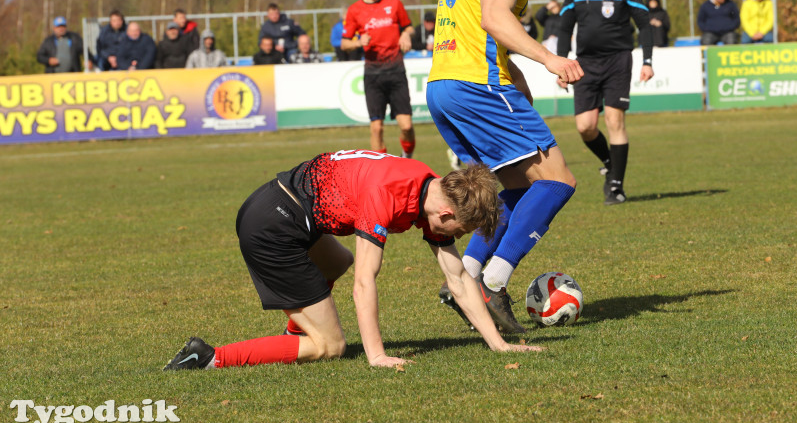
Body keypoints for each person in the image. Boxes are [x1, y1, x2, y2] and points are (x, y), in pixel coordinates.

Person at [164, 151, 543, 371]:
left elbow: (457, 276)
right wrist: (376, 355)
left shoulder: (429, 185)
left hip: (284, 209)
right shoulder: (389, 194)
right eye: (460, 231)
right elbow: (365, 283)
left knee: (336, 262)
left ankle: (295, 335)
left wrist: (499, 344)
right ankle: (209, 358)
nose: (456, 239)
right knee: (330, 347)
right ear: (446, 214)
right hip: (272, 225)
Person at [427, 0, 583, 334]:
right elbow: (494, 19)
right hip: (478, 86)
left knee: (515, 190)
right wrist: (551, 58)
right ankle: (495, 282)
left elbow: (484, 31)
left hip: (444, 86)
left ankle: (469, 275)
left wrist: (520, 87)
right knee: (558, 182)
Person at [556, 0, 654, 205]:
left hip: (617, 61)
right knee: (585, 127)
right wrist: (561, 64)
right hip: (585, 64)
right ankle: (610, 162)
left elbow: (644, 24)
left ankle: (616, 186)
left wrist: (647, 60)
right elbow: (565, 29)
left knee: (614, 121)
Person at [340, 0, 417, 158]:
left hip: (396, 71)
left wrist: (406, 35)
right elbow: (343, 43)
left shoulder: (394, 3)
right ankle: (381, 171)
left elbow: (409, 28)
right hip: (373, 74)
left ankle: (406, 159)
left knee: (406, 126)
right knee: (376, 128)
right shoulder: (355, 10)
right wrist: (358, 42)